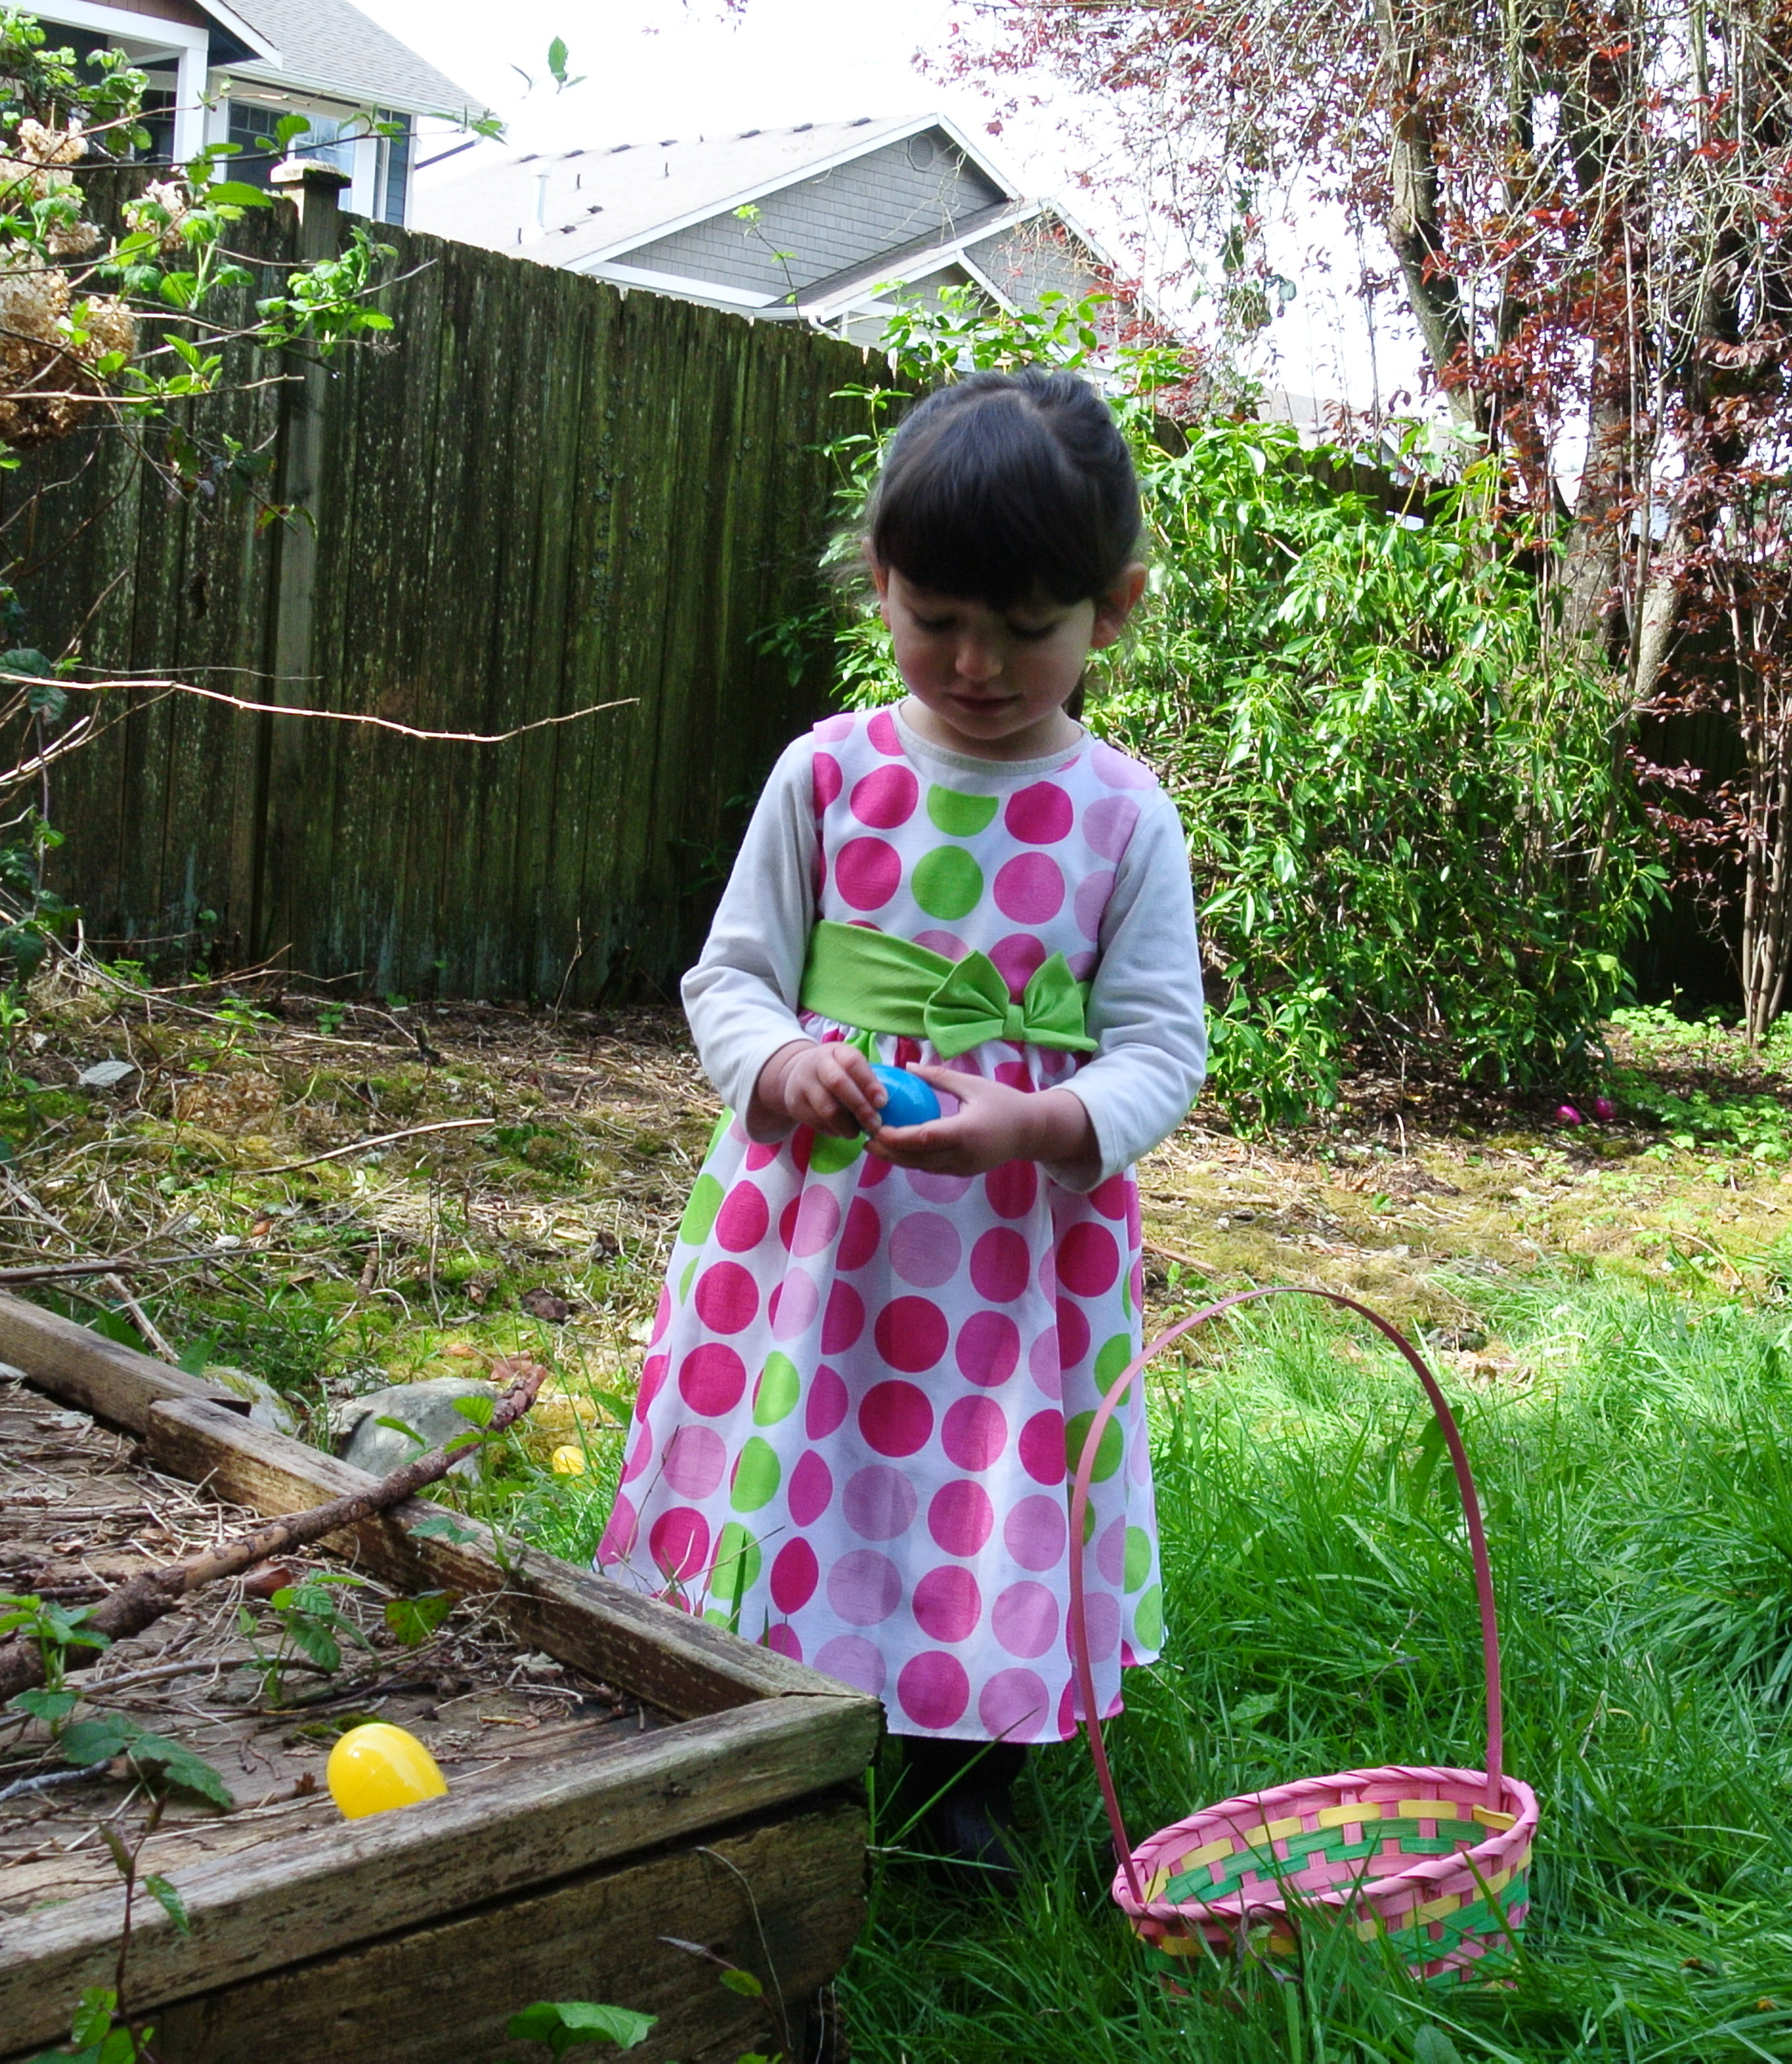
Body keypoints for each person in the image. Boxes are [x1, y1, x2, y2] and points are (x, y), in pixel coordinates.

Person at [595, 369, 1209, 1877]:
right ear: (880, 583)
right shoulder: (829, 776)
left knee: (978, 1488)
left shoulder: (1124, 817)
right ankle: (750, 1711)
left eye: (1026, 627)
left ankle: (959, 1772)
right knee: (794, 1445)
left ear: (1111, 611)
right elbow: (730, 978)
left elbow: (1161, 1048)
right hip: (819, 1234)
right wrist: (780, 1066)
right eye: (937, 617)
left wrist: (1046, 1119)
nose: (978, 661)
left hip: (1007, 1262)